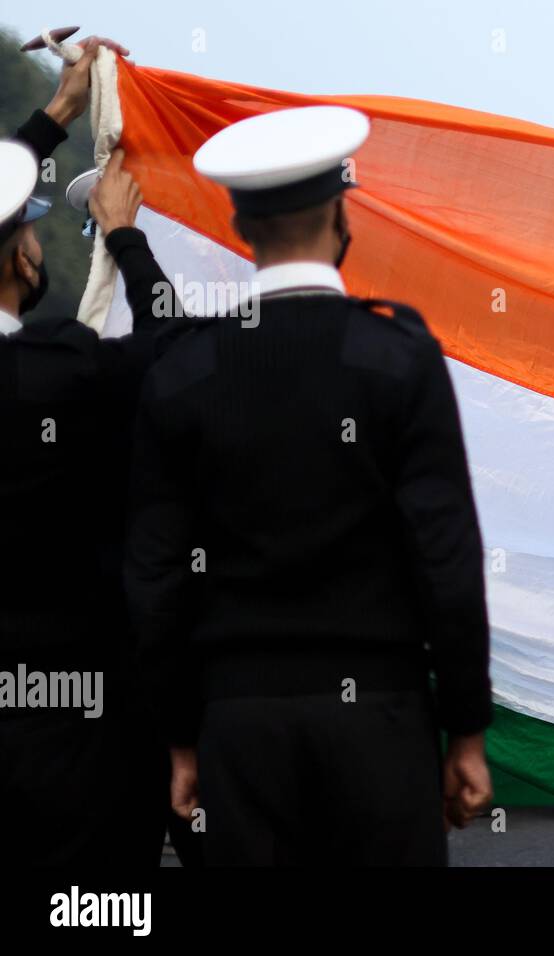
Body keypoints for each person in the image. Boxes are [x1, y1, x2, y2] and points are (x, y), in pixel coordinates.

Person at [125, 106, 493, 865]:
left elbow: (155, 579)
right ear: (340, 212)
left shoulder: (184, 372)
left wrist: (180, 738)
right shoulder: (399, 356)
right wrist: (465, 729)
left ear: (238, 223)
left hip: (239, 721)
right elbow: (447, 558)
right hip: (381, 719)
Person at [0, 37, 183, 866]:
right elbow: (174, 348)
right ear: (21, 256)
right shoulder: (62, 370)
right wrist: (126, 240)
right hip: (87, 716)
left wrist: (57, 113)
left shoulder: (56, 366)